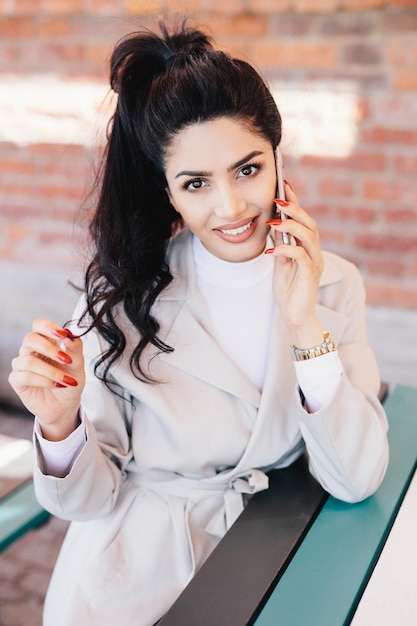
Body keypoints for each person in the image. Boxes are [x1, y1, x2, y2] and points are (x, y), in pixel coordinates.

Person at [9, 18, 389, 626]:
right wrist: (60, 425)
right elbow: (87, 500)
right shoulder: (120, 295)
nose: (232, 208)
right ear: (169, 194)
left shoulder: (334, 283)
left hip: (272, 564)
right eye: (196, 183)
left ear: (277, 157)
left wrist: (304, 324)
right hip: (131, 579)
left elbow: (357, 477)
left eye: (247, 169)